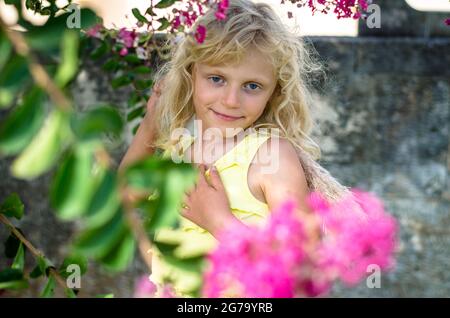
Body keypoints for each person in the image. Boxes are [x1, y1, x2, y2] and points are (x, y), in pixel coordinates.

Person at [119, 0, 352, 296]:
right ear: (191, 74)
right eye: (216, 79)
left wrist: (220, 222)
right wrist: (151, 123)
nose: (231, 100)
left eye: (252, 86)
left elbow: (302, 268)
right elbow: (124, 197)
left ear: (274, 92)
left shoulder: (271, 156)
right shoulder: (179, 147)